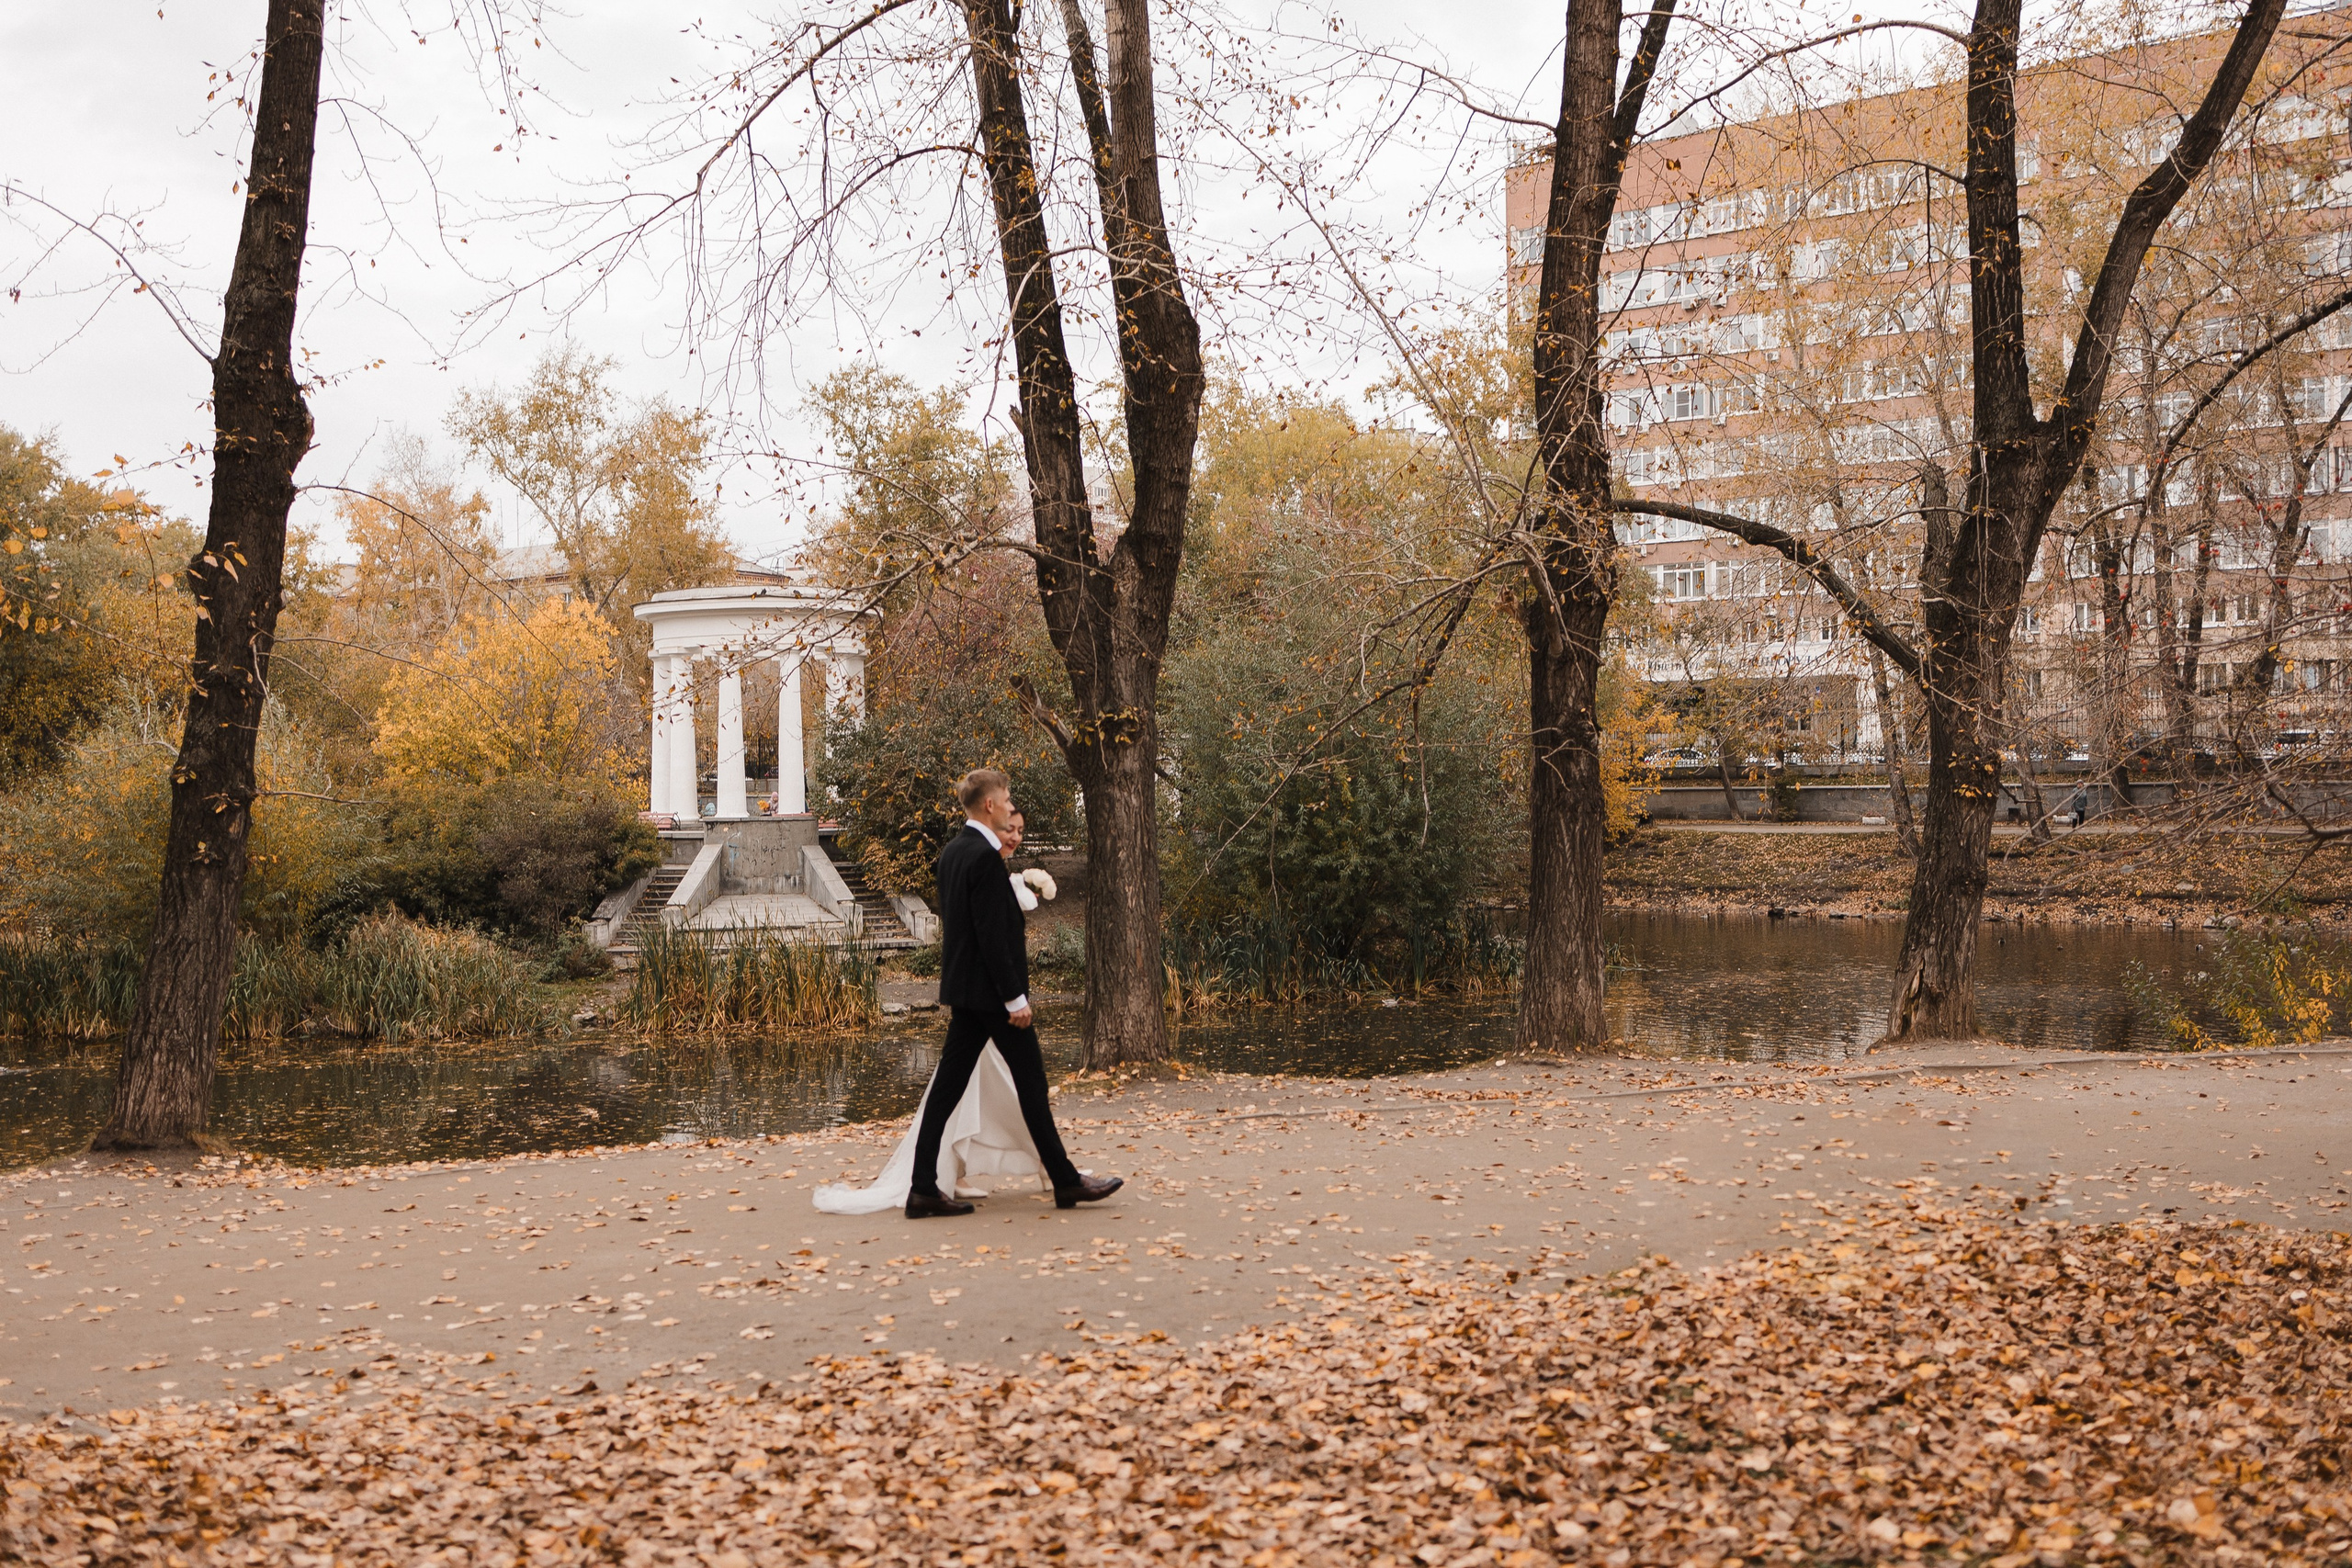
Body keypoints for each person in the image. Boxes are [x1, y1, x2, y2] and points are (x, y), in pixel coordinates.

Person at [813, 768, 1119, 1220]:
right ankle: (1067, 1181)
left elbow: (968, 927)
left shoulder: (954, 853)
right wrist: (1015, 998)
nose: (1009, 802)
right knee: (1031, 1084)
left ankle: (922, 1188)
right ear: (990, 805)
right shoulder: (982, 857)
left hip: (965, 994)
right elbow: (990, 936)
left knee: (946, 1092)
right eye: (1006, 797)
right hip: (993, 998)